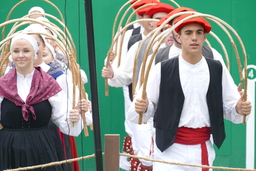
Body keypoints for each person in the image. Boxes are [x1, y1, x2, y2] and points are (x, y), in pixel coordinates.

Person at [127, 14, 252, 171]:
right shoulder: (162, 69)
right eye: (188, 33)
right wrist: (143, 107)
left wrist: (239, 108)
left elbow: (229, 106)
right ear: (178, 37)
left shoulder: (217, 68)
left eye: (199, 33)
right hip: (168, 150)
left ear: (205, 37)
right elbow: (143, 110)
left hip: (202, 149)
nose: (194, 38)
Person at [102, 2, 175, 170]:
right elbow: (125, 75)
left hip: (173, 113)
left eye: (167, 21)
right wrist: (112, 74)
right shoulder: (138, 45)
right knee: (147, 156)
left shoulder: (182, 51)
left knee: (169, 155)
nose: (162, 25)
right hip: (143, 108)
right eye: (158, 20)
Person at [0, 34, 83, 170]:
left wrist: (74, 118)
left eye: (26, 51)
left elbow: (65, 122)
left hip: (42, 148)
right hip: (9, 149)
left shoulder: (48, 83)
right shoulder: (2, 85)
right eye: (16, 51)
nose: (21, 55)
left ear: (34, 54)